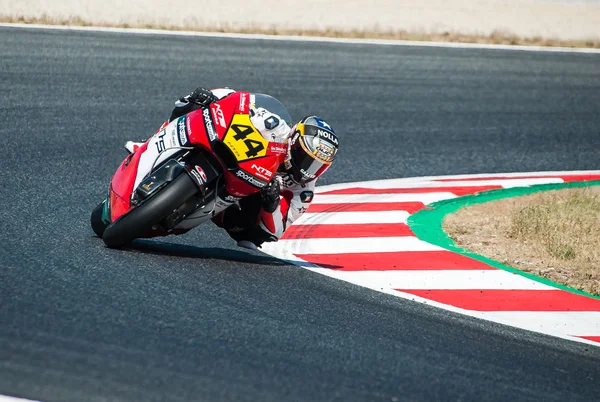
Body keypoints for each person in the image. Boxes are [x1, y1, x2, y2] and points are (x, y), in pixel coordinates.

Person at [126, 87, 339, 250]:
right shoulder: (276, 126)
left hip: (241, 202)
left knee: (254, 235)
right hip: (235, 158)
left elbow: (278, 231)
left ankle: (200, 207)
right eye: (306, 158)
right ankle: (150, 143)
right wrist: (211, 98)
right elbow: (238, 100)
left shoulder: (305, 190)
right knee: (192, 105)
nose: (308, 169)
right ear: (293, 140)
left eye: (317, 165)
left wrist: (271, 204)